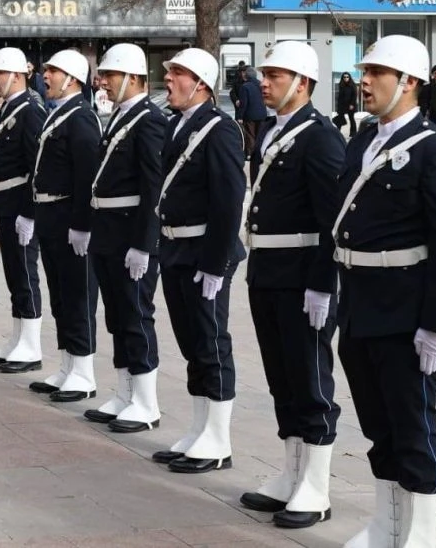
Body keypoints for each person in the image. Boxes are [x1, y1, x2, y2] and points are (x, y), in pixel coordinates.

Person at [333, 35, 436, 547]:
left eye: (377, 72)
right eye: (364, 70)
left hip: (405, 313)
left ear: (408, 82)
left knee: (414, 426)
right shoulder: (361, 142)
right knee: (379, 427)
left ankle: (421, 535)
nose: (364, 80)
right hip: (360, 306)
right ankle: (387, 526)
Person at [235, 42, 345, 530]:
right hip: (270, 271)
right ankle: (291, 472)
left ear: (302, 83)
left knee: (309, 380)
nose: (265, 82)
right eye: (266, 73)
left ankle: (316, 486)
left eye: (276, 75)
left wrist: (323, 284)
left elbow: (331, 220)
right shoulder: (276, 131)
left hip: (303, 276)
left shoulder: (319, 138)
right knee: (282, 379)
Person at [153, 47, 246, 474]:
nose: (168, 80)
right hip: (175, 248)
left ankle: (219, 438)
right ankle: (198, 427)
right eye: (169, 72)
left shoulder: (220, 129)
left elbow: (229, 201)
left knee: (211, 342)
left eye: (178, 74)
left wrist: (215, 263)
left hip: (205, 252)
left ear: (202, 85)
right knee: (191, 343)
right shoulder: (178, 125)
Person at [83, 44, 167, 429]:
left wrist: (144, 243)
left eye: (110, 76)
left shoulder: (149, 120)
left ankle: (146, 401)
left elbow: (153, 186)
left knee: (135, 314)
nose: (102, 81)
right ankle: (124, 390)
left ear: (132, 78)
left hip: (130, 231)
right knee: (116, 315)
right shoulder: (119, 117)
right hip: (108, 230)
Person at [29, 50, 102, 401]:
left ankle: (84, 371)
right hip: (50, 217)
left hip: (69, 219)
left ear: (72, 79)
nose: (45, 77)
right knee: (60, 295)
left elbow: (87, 175)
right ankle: (67, 363)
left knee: (77, 296)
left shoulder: (82, 118)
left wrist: (82, 224)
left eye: (52, 72)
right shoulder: (59, 114)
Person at [0, 47, 47, 373]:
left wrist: (30, 212)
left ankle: (31, 345)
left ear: (17, 76)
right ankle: (19, 336)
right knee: (13, 274)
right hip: (6, 202)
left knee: (24, 274)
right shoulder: (12, 109)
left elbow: (38, 165)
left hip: (20, 204)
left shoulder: (30, 110)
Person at [238, 67, 268, 159]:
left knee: (250, 135)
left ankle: (250, 154)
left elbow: (244, 104)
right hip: (262, 113)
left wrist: (240, 116)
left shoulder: (245, 86)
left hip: (250, 115)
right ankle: (260, 153)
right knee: (260, 135)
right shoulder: (261, 84)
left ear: (246, 76)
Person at [335, 72, 358, 136]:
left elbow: (354, 95)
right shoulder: (341, 85)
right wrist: (338, 107)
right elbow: (340, 97)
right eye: (344, 77)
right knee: (340, 118)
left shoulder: (352, 85)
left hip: (350, 105)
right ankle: (337, 132)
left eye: (347, 77)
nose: (346, 78)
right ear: (342, 78)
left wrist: (352, 104)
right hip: (342, 105)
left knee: (351, 119)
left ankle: (353, 133)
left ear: (349, 77)